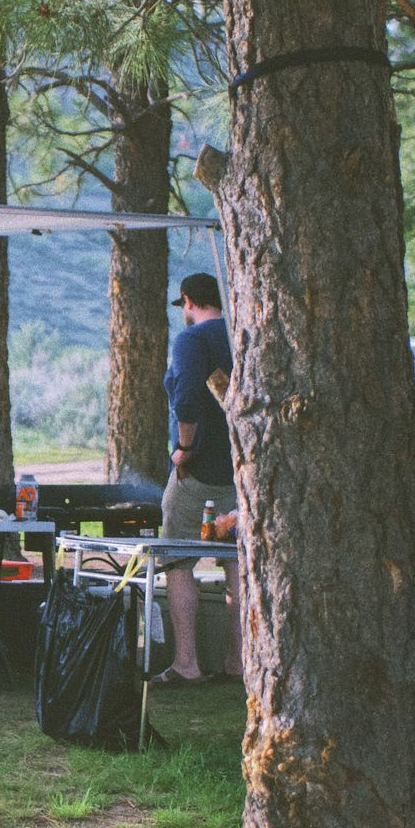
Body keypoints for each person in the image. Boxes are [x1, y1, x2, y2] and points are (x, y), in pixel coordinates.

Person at [156, 272, 244, 686]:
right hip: (241, 471)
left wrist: (184, 449)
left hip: (200, 471)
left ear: (188, 301)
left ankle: (187, 663)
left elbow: (187, 398)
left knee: (177, 561)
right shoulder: (242, 335)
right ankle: (240, 661)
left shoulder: (191, 340)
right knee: (237, 565)